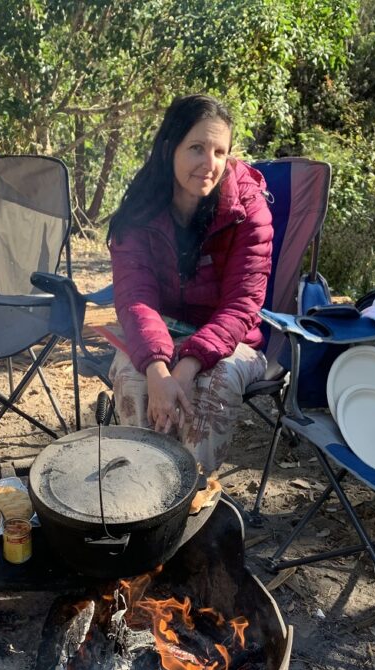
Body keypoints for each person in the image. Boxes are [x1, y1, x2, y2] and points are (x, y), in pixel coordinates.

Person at [106, 94, 273, 474]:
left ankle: (190, 499)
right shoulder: (142, 206)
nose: (209, 164)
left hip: (231, 340)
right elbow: (135, 298)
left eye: (219, 151)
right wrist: (158, 369)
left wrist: (186, 367)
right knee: (134, 378)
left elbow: (243, 303)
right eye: (196, 148)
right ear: (169, 148)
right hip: (158, 329)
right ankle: (140, 491)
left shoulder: (248, 208)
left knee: (213, 387)